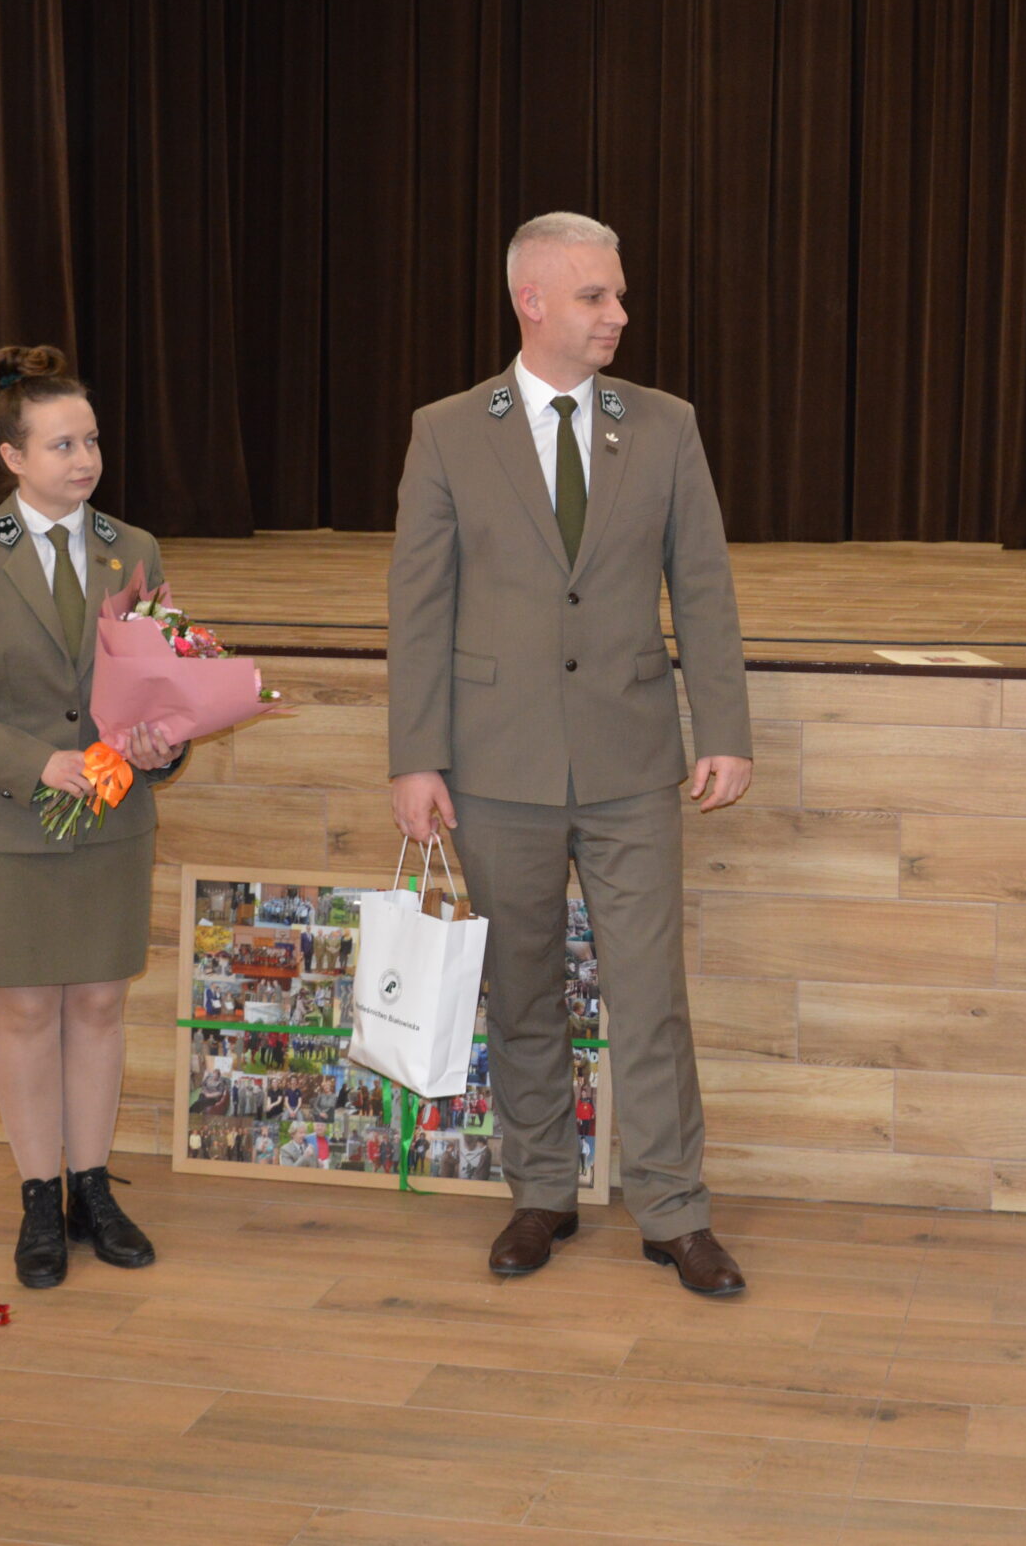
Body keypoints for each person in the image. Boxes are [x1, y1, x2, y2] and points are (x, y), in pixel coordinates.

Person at [388, 211, 754, 1296]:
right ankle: (541, 1191)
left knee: (650, 993)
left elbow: (703, 586)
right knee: (522, 990)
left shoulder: (666, 425)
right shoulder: (449, 431)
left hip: (633, 761)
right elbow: (418, 607)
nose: (619, 314)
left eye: (619, 294)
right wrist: (416, 758)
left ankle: (674, 1210)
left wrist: (723, 730)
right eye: (596, 295)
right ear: (532, 300)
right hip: (493, 764)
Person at [0, 345, 185, 1290]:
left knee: (99, 1003)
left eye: (92, 440)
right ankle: (37, 1198)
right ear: (12, 457)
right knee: (26, 1010)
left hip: (111, 819)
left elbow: (161, 687)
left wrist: (162, 745)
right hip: (5, 826)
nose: (85, 459)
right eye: (63, 445)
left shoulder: (134, 548)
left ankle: (91, 1190)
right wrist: (35, 764)